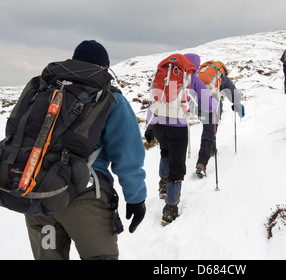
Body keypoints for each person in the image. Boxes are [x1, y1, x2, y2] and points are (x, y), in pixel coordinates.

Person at [25, 40, 147, 260]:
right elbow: (128, 157)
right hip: (85, 199)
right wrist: (136, 198)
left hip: (38, 199)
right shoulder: (111, 99)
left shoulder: (43, 90)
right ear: (103, 68)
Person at [144, 53, 217, 226]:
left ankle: (163, 185)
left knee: (165, 152)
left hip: (159, 123)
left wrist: (149, 126)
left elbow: (152, 101)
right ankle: (170, 208)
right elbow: (208, 106)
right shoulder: (192, 78)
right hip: (177, 126)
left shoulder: (163, 74)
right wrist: (214, 98)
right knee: (177, 164)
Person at [195, 61, 245, 177]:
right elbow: (234, 96)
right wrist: (237, 103)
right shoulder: (221, 76)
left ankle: (212, 149)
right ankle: (201, 164)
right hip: (212, 107)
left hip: (197, 105)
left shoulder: (201, 73)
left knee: (209, 127)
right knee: (208, 132)